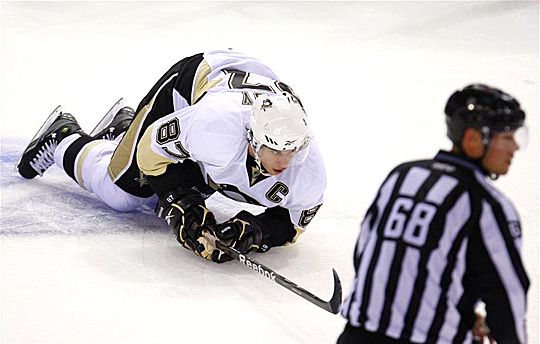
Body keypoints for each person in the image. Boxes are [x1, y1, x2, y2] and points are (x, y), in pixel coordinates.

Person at [17, 49, 326, 263]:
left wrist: (251, 233)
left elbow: (291, 224)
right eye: (273, 149)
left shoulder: (308, 171)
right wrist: (182, 200)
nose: (283, 162)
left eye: (292, 150)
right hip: (188, 91)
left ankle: (124, 128)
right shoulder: (213, 128)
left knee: (189, 182)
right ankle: (61, 137)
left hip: (219, 113)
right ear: (252, 138)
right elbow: (151, 149)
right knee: (123, 195)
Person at [338, 84, 529, 343]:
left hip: (355, 336)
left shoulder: (401, 176)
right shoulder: (486, 205)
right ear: (474, 140)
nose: (514, 147)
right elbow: (506, 294)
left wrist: (464, 315)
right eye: (506, 137)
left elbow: (367, 253)